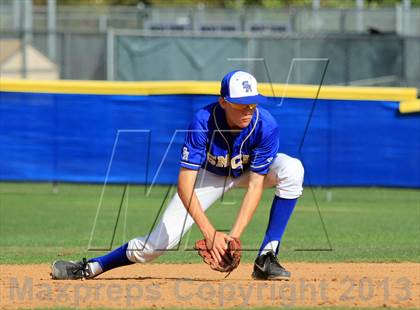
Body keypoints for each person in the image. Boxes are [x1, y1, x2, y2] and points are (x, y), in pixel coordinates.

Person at [51, 70, 304, 281]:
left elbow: (256, 185)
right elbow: (185, 185)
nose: (248, 110)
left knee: (292, 169)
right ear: (223, 101)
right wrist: (210, 233)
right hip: (210, 176)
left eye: (252, 103)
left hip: (248, 174)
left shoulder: (265, 125)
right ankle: (91, 267)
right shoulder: (203, 121)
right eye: (241, 105)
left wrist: (234, 236)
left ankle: (266, 258)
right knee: (155, 246)